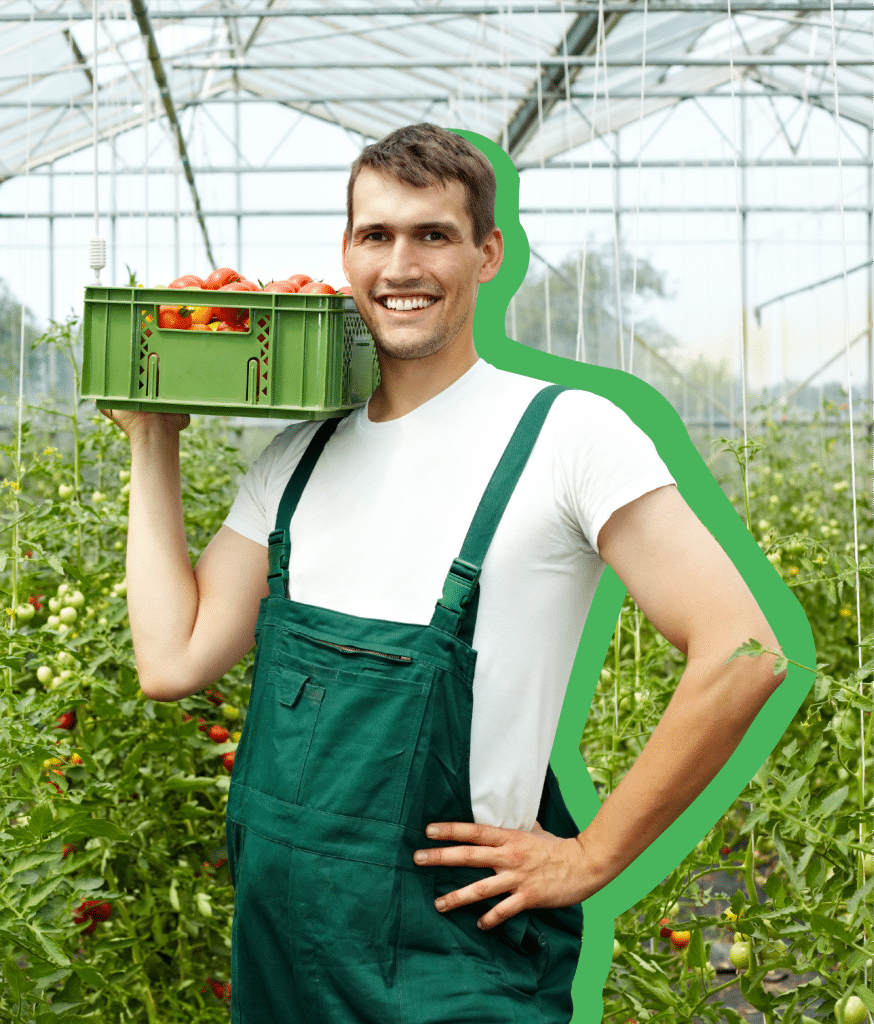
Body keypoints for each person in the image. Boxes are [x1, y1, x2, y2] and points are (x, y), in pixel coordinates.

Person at [101, 123, 787, 1024]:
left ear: (487, 253)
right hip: (281, 952)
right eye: (375, 236)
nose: (401, 265)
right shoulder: (297, 459)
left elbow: (742, 651)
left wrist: (592, 858)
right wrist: (154, 438)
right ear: (346, 255)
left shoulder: (568, 435)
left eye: (434, 235)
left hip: (452, 959)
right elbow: (172, 660)